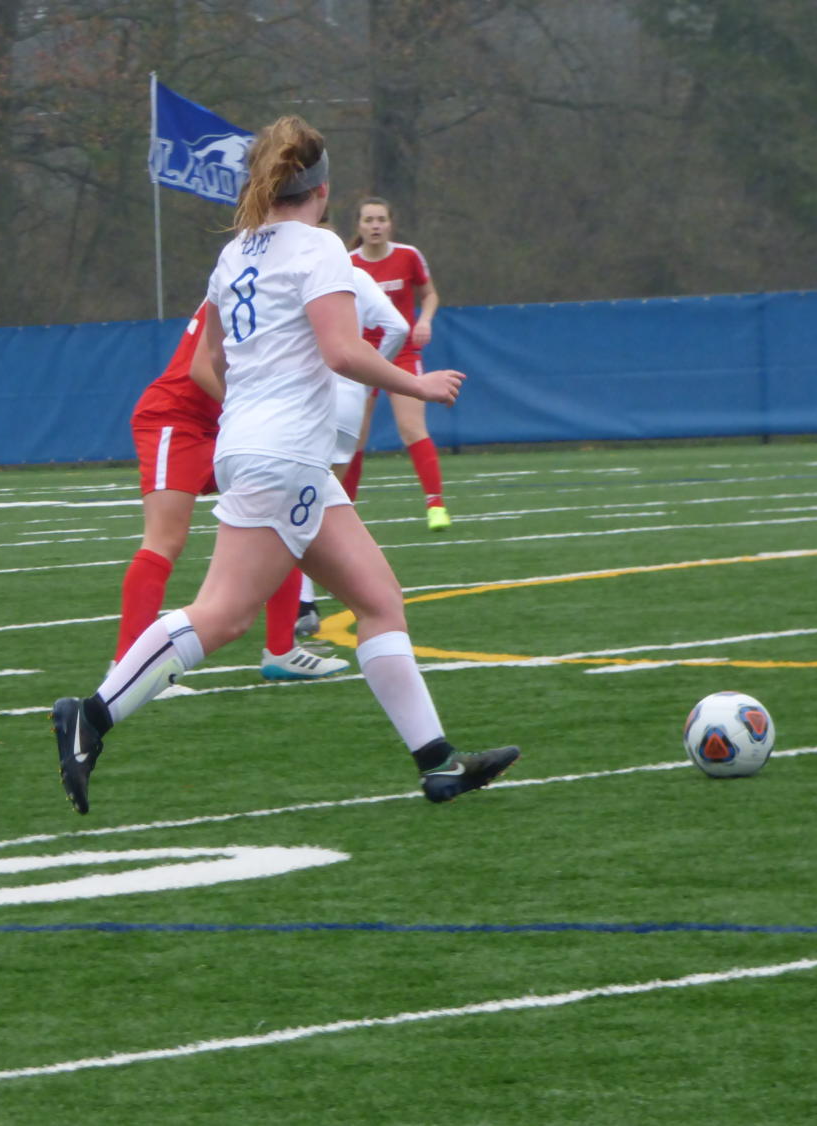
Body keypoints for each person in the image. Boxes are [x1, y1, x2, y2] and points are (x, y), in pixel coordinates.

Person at [52, 115, 519, 814]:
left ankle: (438, 763)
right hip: (282, 455)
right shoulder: (319, 248)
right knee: (222, 615)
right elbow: (339, 350)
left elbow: (206, 362)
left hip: (263, 449)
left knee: (377, 601)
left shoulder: (235, 251)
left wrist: (263, 407)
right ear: (322, 188)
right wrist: (415, 384)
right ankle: (90, 715)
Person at [117, 302, 350, 683]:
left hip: (223, 428)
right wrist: (252, 411)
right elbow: (200, 367)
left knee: (281, 515)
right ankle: (127, 669)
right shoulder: (239, 284)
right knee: (165, 540)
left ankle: (281, 651)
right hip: (174, 421)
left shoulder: (283, 290)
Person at [295, 265, 410, 635]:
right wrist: (370, 373)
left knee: (298, 509)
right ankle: (352, 588)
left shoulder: (297, 272)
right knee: (321, 503)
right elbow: (399, 328)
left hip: (308, 398)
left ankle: (303, 603)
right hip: (349, 399)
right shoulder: (355, 275)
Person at [346, 196, 451, 532]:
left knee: (411, 428)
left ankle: (435, 505)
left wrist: (426, 320)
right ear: (359, 226)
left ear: (390, 223)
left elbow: (429, 294)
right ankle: (345, 512)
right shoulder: (346, 263)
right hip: (362, 355)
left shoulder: (408, 256)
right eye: (368, 220)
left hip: (402, 353)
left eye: (381, 219)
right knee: (354, 437)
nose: (375, 226)